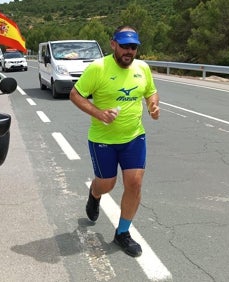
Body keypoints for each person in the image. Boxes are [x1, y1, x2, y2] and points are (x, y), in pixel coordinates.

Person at [69, 25, 160, 257]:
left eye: (133, 47)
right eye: (124, 46)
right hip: (103, 139)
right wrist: (98, 113)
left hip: (133, 137)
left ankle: (122, 233)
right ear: (113, 44)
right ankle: (95, 193)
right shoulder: (98, 68)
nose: (129, 51)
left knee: (135, 184)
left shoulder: (143, 68)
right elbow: (75, 94)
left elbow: (151, 91)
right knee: (107, 183)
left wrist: (152, 104)